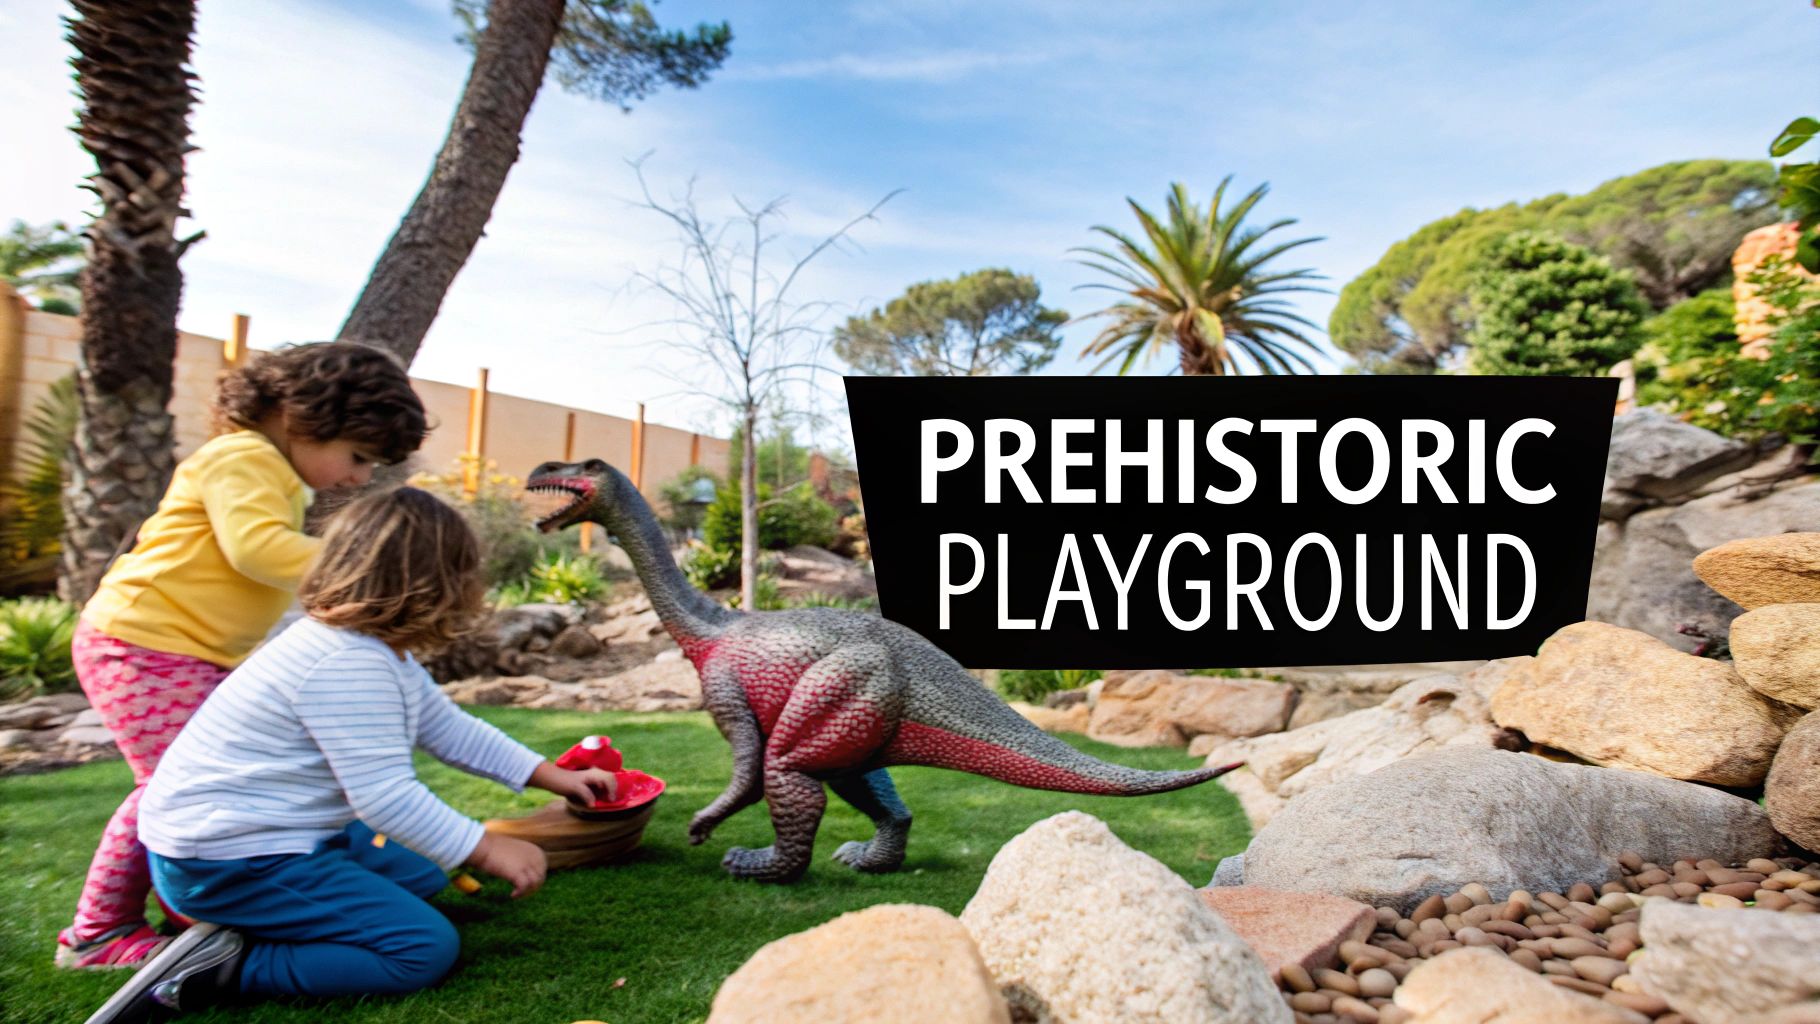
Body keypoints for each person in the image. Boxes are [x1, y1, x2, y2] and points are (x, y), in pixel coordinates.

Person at [86, 487, 618, 1023]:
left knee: (421, 874)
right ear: (437, 587)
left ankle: (253, 920)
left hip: (252, 842)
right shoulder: (346, 663)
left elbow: (451, 730)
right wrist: (481, 848)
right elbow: (383, 795)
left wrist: (551, 776)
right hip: (233, 862)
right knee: (422, 948)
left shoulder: (368, 649)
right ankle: (222, 966)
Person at [57, 342, 428, 970]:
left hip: (187, 652)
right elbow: (255, 549)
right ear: (297, 416)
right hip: (142, 643)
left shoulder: (272, 471)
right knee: (174, 785)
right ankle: (98, 933)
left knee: (211, 785)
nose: (361, 477)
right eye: (358, 456)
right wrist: (362, 567)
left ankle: (205, 910)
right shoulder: (244, 455)